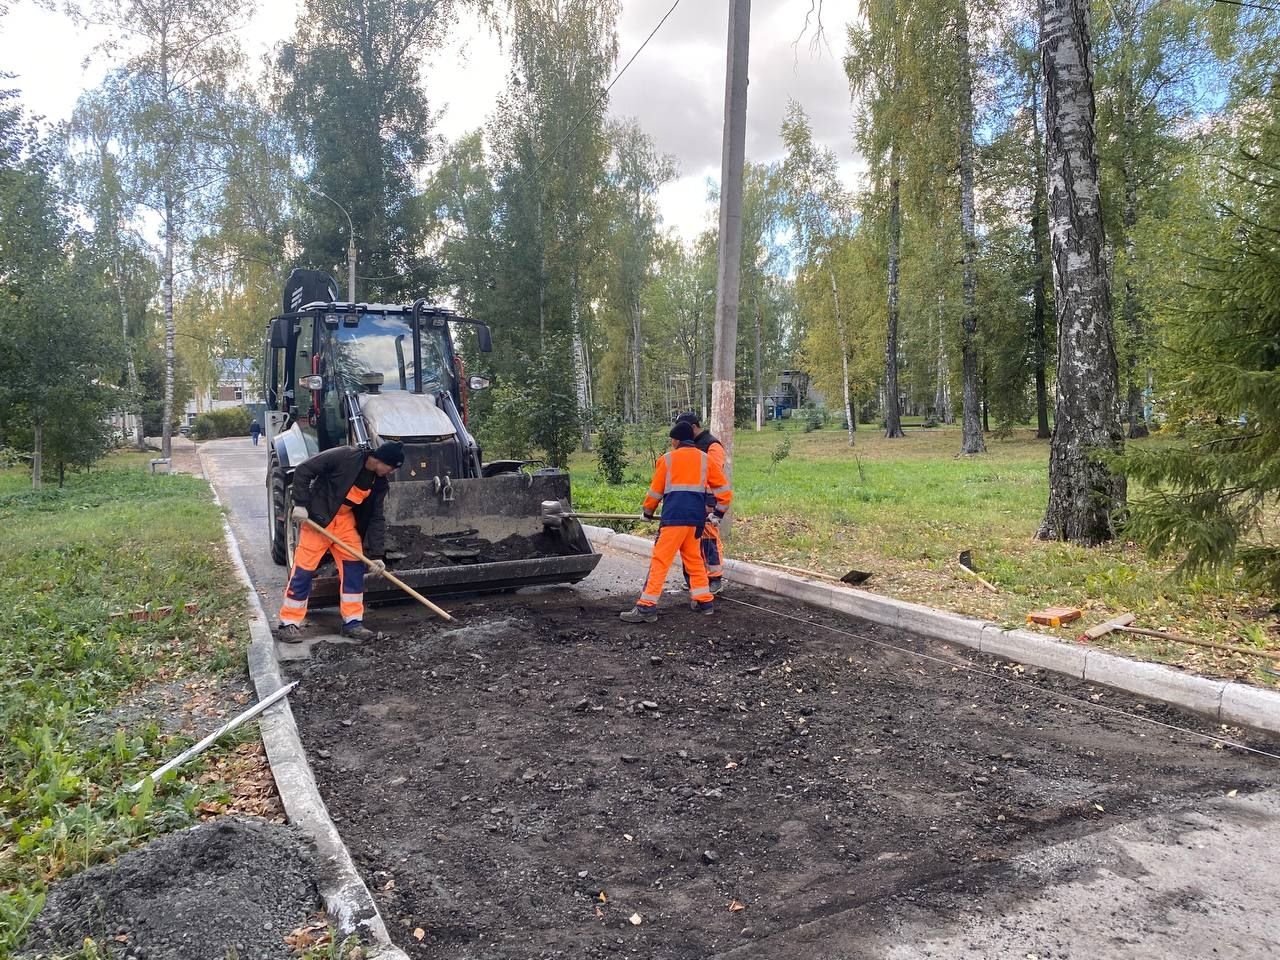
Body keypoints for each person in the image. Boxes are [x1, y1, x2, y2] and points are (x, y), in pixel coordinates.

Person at [276, 441, 405, 642]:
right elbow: (304, 469)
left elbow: (375, 517)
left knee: (354, 570)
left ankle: (353, 622)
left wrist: (377, 555)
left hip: (344, 523)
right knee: (303, 571)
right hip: (318, 519)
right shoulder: (345, 456)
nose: (391, 472)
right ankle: (289, 623)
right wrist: (300, 504)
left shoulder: (379, 483)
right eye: (391, 467)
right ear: (381, 460)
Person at [621, 421, 732, 623]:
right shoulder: (705, 459)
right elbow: (724, 492)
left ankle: (646, 607)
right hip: (696, 521)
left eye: (672, 439)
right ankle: (704, 601)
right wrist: (718, 514)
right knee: (694, 560)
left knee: (661, 561)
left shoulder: (667, 460)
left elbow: (656, 491)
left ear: (677, 440)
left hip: (673, 520)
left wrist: (647, 513)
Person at [674, 411, 728, 594]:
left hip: (705, 502)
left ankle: (714, 579)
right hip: (689, 502)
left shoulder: (712, 446)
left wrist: (711, 505)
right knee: (690, 542)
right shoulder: (687, 446)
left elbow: (715, 478)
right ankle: (695, 579)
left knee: (709, 540)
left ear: (693, 427)